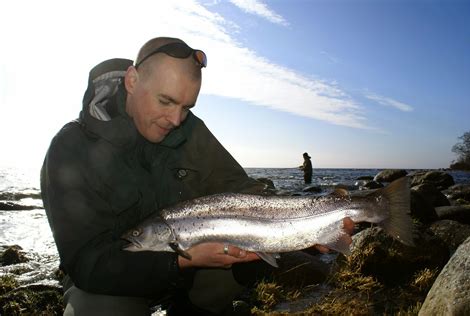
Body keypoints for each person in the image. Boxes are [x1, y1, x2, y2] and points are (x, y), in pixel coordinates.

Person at [41, 37, 351, 315]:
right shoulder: (71, 148)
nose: (176, 119)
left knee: (247, 265)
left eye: (187, 107)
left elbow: (243, 191)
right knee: (100, 308)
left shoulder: (191, 130)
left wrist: (311, 229)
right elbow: (86, 263)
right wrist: (181, 261)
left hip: (188, 270)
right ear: (132, 81)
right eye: (166, 101)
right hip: (112, 278)